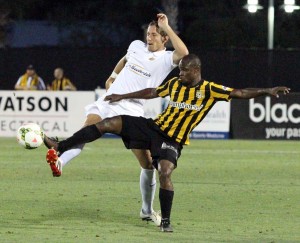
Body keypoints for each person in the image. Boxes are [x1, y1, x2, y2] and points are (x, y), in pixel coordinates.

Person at [43, 54, 290, 232]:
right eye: (179, 70)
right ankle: (60, 146)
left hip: (173, 140)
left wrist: (268, 90)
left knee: (164, 171)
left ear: (196, 70)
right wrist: (122, 95)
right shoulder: (174, 84)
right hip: (153, 128)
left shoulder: (210, 90)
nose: (179, 74)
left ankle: (166, 220)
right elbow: (152, 92)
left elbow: (240, 93)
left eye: (184, 71)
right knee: (108, 123)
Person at [45, 13, 189, 226]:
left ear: (164, 39)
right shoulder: (136, 45)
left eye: (154, 35)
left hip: (132, 110)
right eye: (148, 34)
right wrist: (112, 75)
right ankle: (59, 161)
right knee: (86, 130)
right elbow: (125, 58)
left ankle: (147, 210)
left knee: (148, 164)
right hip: (108, 101)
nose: (149, 38)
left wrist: (166, 26)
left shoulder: (167, 59)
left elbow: (184, 52)